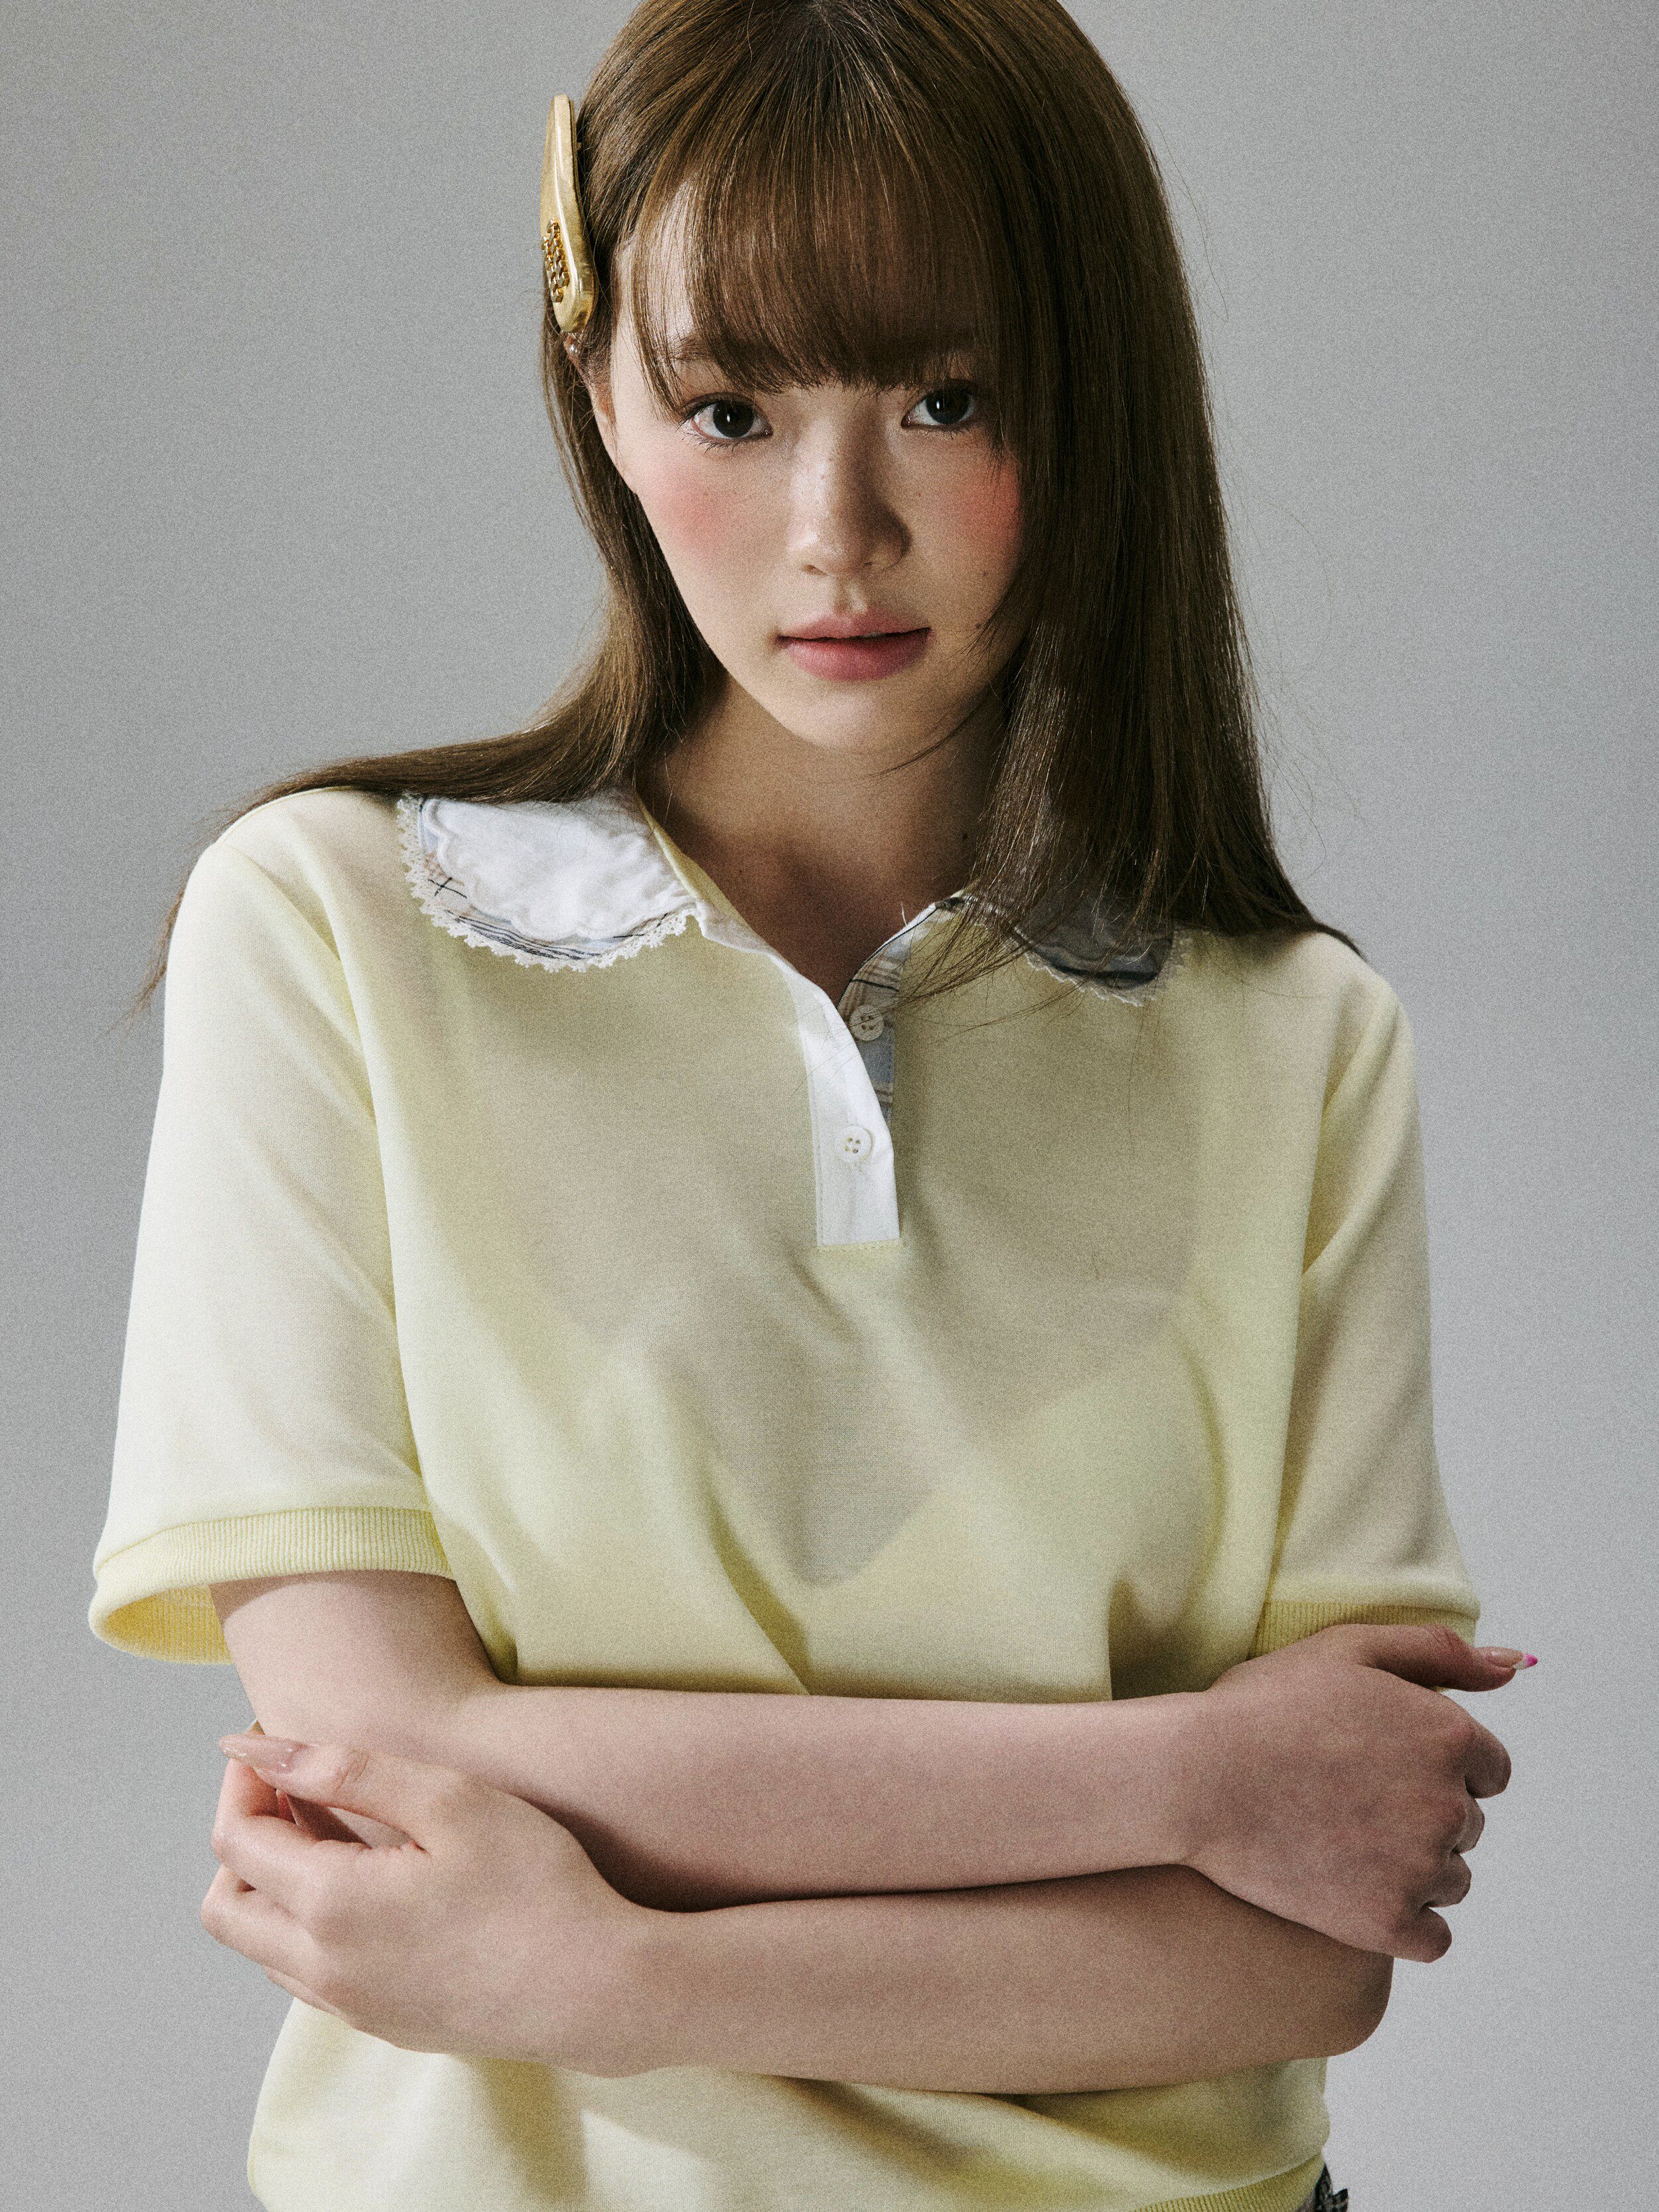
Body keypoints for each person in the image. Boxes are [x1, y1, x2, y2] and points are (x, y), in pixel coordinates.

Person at [90, 3, 1530, 2207]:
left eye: (943, 400)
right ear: (597, 392)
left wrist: (600, 1975)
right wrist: (1187, 1780)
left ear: (1093, 399)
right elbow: (383, 1749)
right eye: (730, 409)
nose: (833, 531)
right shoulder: (333, 930)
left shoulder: (1295, 1037)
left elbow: (1304, 1939)